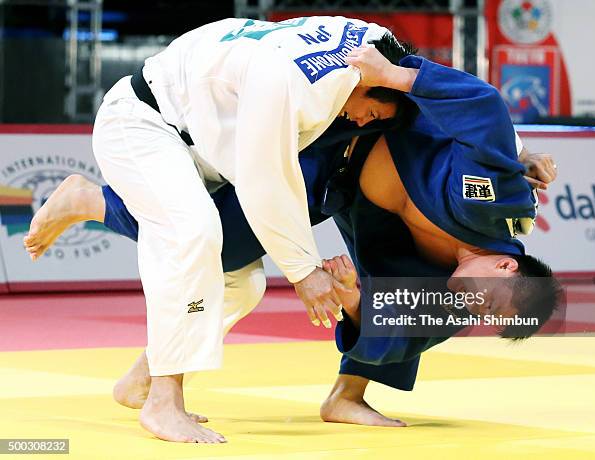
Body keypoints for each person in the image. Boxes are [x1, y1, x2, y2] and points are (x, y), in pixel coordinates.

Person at [25, 45, 561, 429]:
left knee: (415, 316)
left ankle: (345, 397)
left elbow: (387, 316)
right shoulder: (503, 203)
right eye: (484, 301)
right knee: (220, 241)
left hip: (343, 192)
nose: (471, 307)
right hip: (350, 132)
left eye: (483, 316)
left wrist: (350, 296)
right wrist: (397, 78)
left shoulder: (461, 295)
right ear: (506, 267)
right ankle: (95, 202)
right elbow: (485, 108)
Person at [24, 17, 412, 443]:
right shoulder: (295, 83)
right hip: (143, 122)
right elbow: (265, 183)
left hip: (201, 144)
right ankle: (163, 403)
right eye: (371, 112)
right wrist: (304, 272)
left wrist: (400, 75)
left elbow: (397, 66)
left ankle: (141, 381)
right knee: (194, 231)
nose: (360, 122)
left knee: (241, 286)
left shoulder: (372, 42)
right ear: (368, 81)